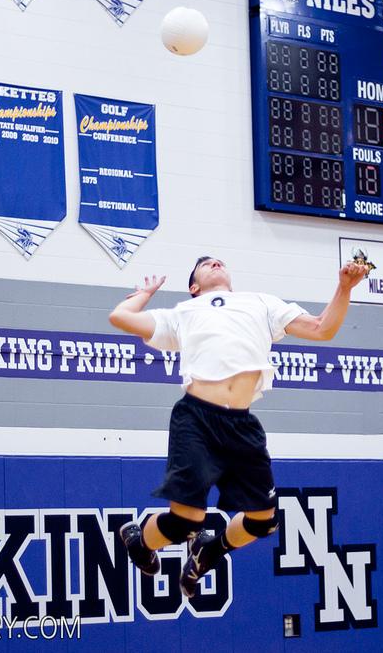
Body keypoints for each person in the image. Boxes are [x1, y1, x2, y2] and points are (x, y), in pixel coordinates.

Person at [108, 256, 368, 597]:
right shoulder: (184, 313)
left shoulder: (260, 303)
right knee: (186, 521)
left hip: (241, 424)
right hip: (197, 419)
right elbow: (120, 317)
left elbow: (323, 328)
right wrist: (144, 293)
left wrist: (344, 288)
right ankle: (138, 541)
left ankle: (210, 550)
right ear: (194, 287)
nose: (215, 263)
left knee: (264, 521)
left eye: (219, 261)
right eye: (205, 264)